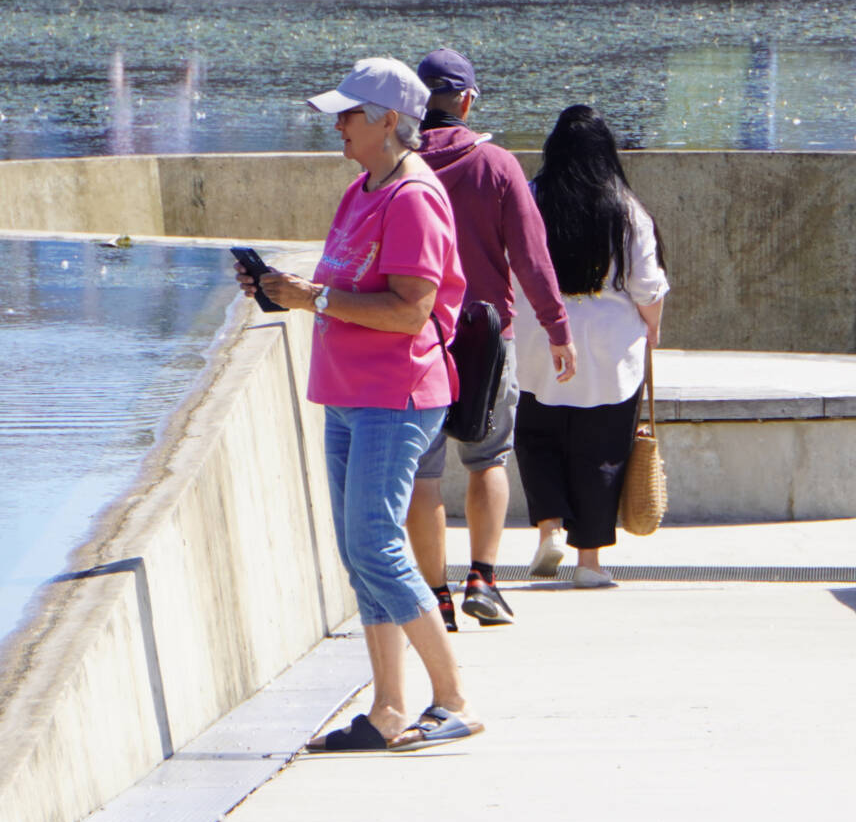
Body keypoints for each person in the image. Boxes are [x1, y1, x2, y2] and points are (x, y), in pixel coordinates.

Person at [235, 57, 483, 753]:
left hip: (393, 395)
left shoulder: (412, 197)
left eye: (348, 114)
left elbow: (411, 312)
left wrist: (310, 297)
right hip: (350, 392)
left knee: (375, 543)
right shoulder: (362, 190)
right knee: (360, 549)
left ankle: (453, 696)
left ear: (386, 121)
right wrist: (277, 288)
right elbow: (340, 284)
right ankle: (388, 707)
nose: (337, 124)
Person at [406, 49, 576, 630]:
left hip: (414, 339)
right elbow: (532, 259)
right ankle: (482, 579)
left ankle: (436, 598)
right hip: (485, 338)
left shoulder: (396, 167)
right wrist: (557, 329)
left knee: (422, 476)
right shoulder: (498, 165)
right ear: (469, 101)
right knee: (488, 459)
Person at [513, 105, 668, 590]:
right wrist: (652, 329)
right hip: (609, 346)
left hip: (542, 339)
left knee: (538, 438)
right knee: (601, 451)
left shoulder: (532, 198)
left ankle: (548, 529)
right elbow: (648, 286)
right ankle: (590, 562)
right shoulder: (626, 209)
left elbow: (512, 263)